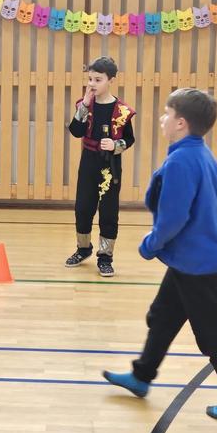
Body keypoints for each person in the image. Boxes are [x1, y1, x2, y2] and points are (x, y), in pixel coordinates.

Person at [103, 88, 217, 421]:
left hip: (196, 264)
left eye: (167, 113)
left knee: (215, 334)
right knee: (163, 316)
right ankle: (141, 376)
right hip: (191, 259)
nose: (162, 118)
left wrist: (151, 244)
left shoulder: (181, 161)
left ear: (181, 123)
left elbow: (173, 218)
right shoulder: (200, 154)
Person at [65, 56, 136, 277]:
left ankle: (105, 257)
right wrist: (85, 106)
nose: (92, 84)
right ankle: (83, 248)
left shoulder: (122, 110)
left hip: (110, 166)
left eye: (98, 79)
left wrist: (116, 145)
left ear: (111, 80)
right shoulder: (85, 105)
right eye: (90, 79)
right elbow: (75, 131)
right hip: (88, 162)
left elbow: (129, 139)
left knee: (108, 211)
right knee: (83, 208)